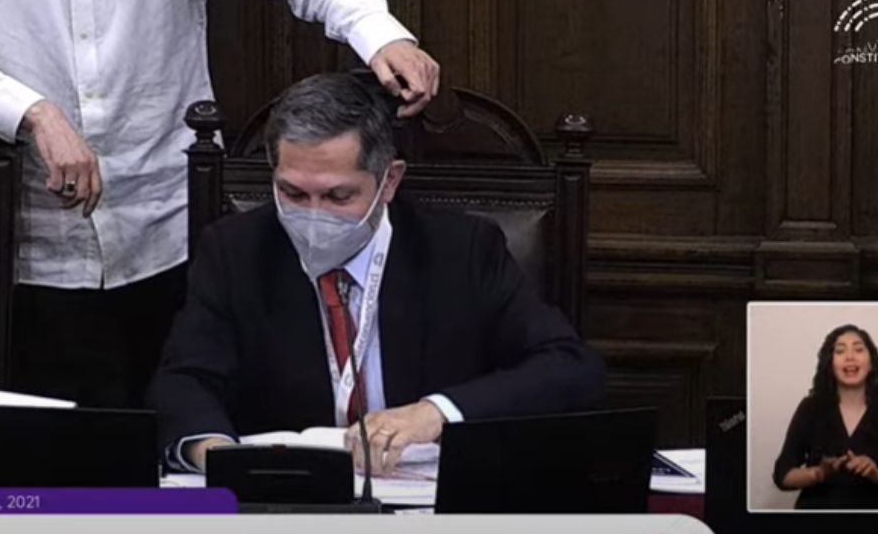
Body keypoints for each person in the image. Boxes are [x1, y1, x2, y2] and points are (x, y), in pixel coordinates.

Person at [0, 0, 441, 408]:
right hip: (33, 238)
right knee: (55, 469)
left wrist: (375, 33)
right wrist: (32, 113)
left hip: (171, 222)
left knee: (179, 435)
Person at [152, 73, 606, 475]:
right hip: (289, 500)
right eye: (293, 193)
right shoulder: (235, 251)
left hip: (428, 504)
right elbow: (183, 380)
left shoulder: (462, 251)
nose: (313, 215)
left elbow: (568, 367)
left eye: (339, 196)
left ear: (389, 181)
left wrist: (435, 413)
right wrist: (219, 457)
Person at [773, 324, 878, 509]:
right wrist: (820, 472)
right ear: (830, 363)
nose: (850, 357)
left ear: (871, 362)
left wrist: (875, 474)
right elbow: (782, 476)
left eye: (858, 349)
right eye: (840, 351)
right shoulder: (810, 408)